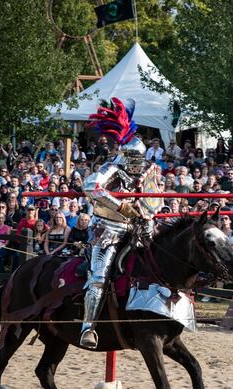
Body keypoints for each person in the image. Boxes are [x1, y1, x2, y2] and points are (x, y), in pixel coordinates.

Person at [79, 97, 163, 349]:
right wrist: (122, 205)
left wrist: (147, 216)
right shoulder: (110, 168)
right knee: (99, 277)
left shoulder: (148, 172)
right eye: (134, 160)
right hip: (107, 230)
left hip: (136, 229)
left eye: (140, 160)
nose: (137, 165)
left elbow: (153, 199)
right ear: (125, 156)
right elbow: (90, 186)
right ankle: (88, 328)